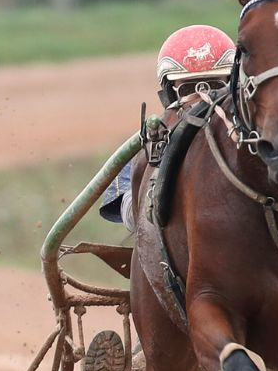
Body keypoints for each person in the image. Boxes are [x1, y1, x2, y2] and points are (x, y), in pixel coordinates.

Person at [97, 24, 237, 226]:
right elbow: (128, 210)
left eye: (215, 86)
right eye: (189, 88)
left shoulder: (249, 136)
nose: (203, 98)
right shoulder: (153, 141)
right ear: (170, 91)